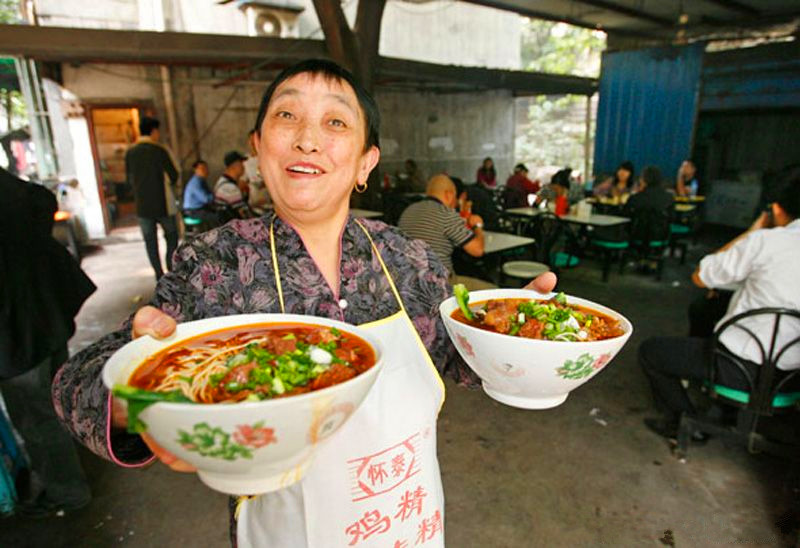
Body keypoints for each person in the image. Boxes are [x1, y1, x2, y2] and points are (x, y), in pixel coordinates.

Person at [53, 59, 557, 546]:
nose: (308, 139)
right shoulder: (216, 265)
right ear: (258, 147)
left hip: (405, 525)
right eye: (286, 115)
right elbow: (75, 384)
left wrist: (512, 333)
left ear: (366, 162)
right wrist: (139, 399)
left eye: (335, 121)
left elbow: (460, 357)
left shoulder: (410, 261)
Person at [639, 176, 800, 440]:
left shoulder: (767, 241)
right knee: (706, 309)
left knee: (650, 352)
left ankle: (686, 423)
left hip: (738, 368)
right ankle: (725, 410)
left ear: (777, 209)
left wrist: (754, 231)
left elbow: (701, 275)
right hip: (792, 378)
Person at [0, 167, 95, 517]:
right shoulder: (10, 186)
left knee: (35, 414)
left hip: (17, 331)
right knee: (55, 394)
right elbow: (43, 199)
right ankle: (76, 456)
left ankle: (68, 492)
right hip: (45, 307)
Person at [398, 174, 487, 286]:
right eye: (455, 198)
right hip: (439, 285)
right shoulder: (446, 214)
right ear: (449, 194)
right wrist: (478, 226)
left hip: (409, 284)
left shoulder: (408, 211)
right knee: (491, 290)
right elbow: (477, 250)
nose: (455, 204)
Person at [125, 116, 180, 281]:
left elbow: (128, 180)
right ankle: (170, 269)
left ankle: (158, 274)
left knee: (150, 242)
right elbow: (174, 175)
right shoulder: (159, 150)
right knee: (171, 236)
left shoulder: (131, 153)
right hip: (163, 204)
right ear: (154, 131)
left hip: (143, 207)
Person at [213, 150, 253, 222]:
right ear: (235, 165)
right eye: (241, 163)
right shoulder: (230, 188)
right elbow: (246, 216)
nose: (243, 167)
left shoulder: (221, 181)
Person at [181, 160, 217, 227]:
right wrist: (216, 195)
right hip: (193, 212)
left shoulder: (201, 180)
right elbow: (206, 199)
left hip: (198, 209)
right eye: (202, 169)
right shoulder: (196, 182)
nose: (205, 170)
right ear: (195, 170)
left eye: (206, 168)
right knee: (217, 217)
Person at [243, 129, 271, 215]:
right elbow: (242, 181)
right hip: (254, 206)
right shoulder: (245, 161)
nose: (252, 144)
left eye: (254, 141)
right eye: (250, 141)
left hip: (270, 205)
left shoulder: (268, 158)